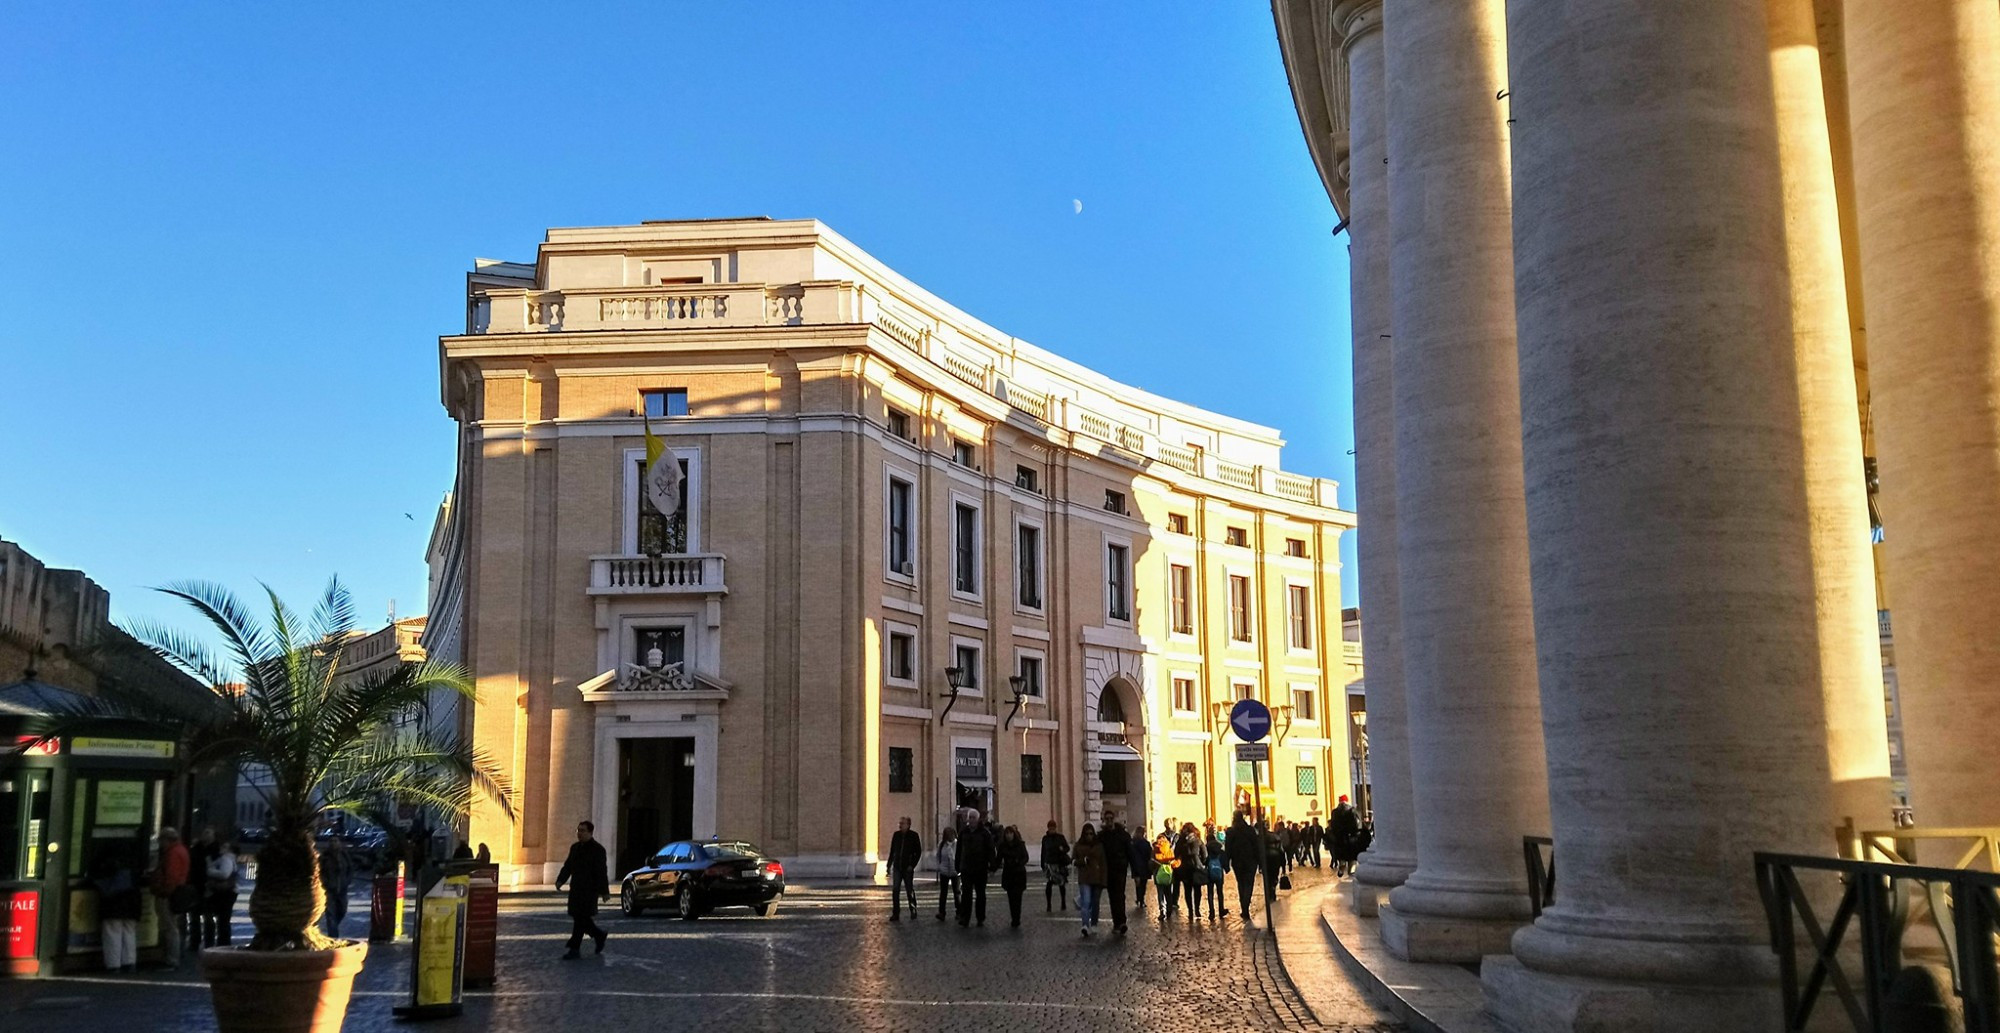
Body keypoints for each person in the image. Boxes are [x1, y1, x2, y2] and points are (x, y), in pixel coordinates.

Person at [554, 820, 610, 960]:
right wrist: (561, 879)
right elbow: (568, 866)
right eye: (578, 830)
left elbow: (601, 872)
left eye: (583, 830)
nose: (579, 833)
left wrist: (604, 892)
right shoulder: (575, 848)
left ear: (590, 832)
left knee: (581, 918)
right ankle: (599, 935)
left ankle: (574, 949)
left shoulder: (598, 850)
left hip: (589, 891)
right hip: (576, 889)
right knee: (579, 917)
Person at [92, 847, 142, 972]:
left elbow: (101, 885)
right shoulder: (133, 869)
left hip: (113, 907)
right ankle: (129, 963)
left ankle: (114, 965)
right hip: (132, 907)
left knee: (112, 935)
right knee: (129, 934)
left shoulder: (108, 868)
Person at [149, 827, 191, 967]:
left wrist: (163, 892)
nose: (160, 843)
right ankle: (171, 958)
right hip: (176, 893)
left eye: (161, 840)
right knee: (172, 926)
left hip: (168, 894)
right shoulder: (181, 850)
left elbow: (171, 877)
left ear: (167, 840)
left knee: (169, 927)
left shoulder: (172, 853)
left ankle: (171, 959)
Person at [955, 818, 994, 927]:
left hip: (980, 868)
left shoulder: (985, 833)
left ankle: (980, 917)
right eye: (970, 818)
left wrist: (992, 865)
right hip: (966, 868)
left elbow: (990, 849)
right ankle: (965, 918)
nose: (971, 820)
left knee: (980, 894)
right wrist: (957, 865)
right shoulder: (963, 832)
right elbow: (959, 849)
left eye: (973, 818)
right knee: (966, 894)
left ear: (977, 820)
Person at [187, 826, 219, 952]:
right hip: (196, 885)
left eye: (208, 833)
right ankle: (195, 941)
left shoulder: (216, 849)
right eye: (204, 832)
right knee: (194, 915)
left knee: (208, 916)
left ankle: (209, 942)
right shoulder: (196, 848)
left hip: (208, 886)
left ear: (213, 836)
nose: (206, 835)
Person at [1226, 812, 1262, 925]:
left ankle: (1244, 907)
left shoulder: (1231, 831)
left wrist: (1226, 863)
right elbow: (1256, 846)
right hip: (1250, 861)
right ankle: (1245, 905)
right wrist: (1259, 861)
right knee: (1248, 884)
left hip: (1237, 862)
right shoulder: (1250, 830)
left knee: (1241, 884)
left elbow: (1228, 848)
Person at [204, 839, 240, 947]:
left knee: (222, 919)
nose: (221, 848)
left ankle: (221, 943)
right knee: (224, 919)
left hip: (225, 893)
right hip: (229, 891)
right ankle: (224, 943)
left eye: (225, 847)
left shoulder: (226, 859)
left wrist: (210, 870)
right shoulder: (231, 859)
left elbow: (224, 874)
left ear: (229, 850)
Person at [1098, 815, 1131, 934]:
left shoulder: (1123, 835)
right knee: (1113, 897)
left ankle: (1121, 922)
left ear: (1114, 819)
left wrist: (1136, 872)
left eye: (1111, 818)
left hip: (1120, 870)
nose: (1109, 821)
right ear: (1104, 821)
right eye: (1107, 819)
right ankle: (1117, 922)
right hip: (1107, 870)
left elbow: (1130, 853)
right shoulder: (1101, 836)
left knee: (1120, 896)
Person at [1072, 823, 1106, 937]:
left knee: (1095, 902)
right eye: (1087, 834)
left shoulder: (1099, 846)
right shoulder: (1078, 846)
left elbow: (1103, 863)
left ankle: (1094, 923)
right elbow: (1073, 860)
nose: (1089, 836)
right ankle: (1085, 925)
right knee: (1085, 902)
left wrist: (1104, 880)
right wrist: (1083, 861)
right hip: (1085, 878)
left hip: (1097, 878)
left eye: (1091, 834)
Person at [887, 817, 922, 921]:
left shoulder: (914, 836)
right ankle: (896, 913)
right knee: (895, 890)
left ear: (908, 825)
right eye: (900, 823)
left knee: (909, 889)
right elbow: (892, 850)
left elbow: (918, 852)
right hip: (897, 866)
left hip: (907, 867)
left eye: (902, 823)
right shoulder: (896, 835)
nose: (900, 825)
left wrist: (912, 865)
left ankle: (913, 909)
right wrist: (889, 865)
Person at [318, 835, 354, 937]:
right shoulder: (325, 857)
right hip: (329, 890)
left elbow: (350, 869)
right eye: (331, 841)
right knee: (330, 914)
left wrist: (347, 881)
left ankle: (334, 927)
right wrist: (326, 882)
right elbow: (319, 872)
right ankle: (333, 936)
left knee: (342, 910)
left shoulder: (344, 855)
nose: (333, 843)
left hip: (342, 889)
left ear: (339, 843)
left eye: (335, 841)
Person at [1173, 822, 1207, 923]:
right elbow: (1204, 855)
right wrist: (1202, 863)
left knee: (1187, 891)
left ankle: (1190, 911)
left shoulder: (1181, 841)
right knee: (1197, 890)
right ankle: (1197, 910)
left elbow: (1176, 854)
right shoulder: (1198, 840)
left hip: (1184, 869)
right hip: (1196, 868)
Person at [998, 826, 1030, 928]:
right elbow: (998, 859)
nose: (1008, 835)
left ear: (1014, 834)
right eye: (1007, 833)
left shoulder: (1020, 845)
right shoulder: (1002, 846)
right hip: (1008, 874)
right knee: (1011, 898)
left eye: (1010, 833)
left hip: (1019, 874)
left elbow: (1025, 857)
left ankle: (1017, 918)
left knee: (1018, 897)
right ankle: (1014, 917)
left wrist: (1019, 862)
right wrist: (992, 868)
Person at [1039, 821, 1071, 912]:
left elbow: (1067, 848)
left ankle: (1063, 902)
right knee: (1049, 884)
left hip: (1060, 863)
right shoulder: (1045, 839)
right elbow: (1043, 852)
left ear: (1055, 828)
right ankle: (1049, 904)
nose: (1052, 830)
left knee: (1062, 884)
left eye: (1053, 828)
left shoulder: (1060, 837)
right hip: (1050, 863)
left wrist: (1062, 849)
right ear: (1048, 828)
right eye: (1050, 828)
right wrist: (1043, 864)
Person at [1330, 796, 1362, 878]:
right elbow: (1357, 824)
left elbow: (1332, 826)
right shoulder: (1352, 810)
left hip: (1340, 839)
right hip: (1351, 838)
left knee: (1342, 857)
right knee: (1352, 858)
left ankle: (1342, 866)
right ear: (1347, 800)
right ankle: (1351, 870)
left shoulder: (1334, 812)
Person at [1151, 828, 1179, 918]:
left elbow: (1151, 861)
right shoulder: (1169, 848)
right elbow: (1172, 859)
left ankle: (1162, 910)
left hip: (1158, 873)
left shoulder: (1155, 849)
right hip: (1168, 872)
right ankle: (1169, 909)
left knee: (1160, 893)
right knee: (1168, 892)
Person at [1203, 821, 1228, 919]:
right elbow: (1224, 859)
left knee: (1210, 893)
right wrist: (1226, 868)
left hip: (1209, 872)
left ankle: (1212, 912)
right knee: (1220, 892)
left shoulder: (1206, 849)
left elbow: (1204, 860)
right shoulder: (1220, 849)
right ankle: (1221, 910)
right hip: (1219, 872)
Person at [1127, 825, 1154, 913]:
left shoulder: (1133, 843)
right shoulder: (1145, 843)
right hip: (1144, 867)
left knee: (1138, 884)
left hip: (1136, 866)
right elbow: (1149, 854)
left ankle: (1139, 899)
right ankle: (1141, 899)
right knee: (1143, 884)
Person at [933, 827, 958, 921]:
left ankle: (959, 912)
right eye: (948, 835)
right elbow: (938, 856)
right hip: (944, 871)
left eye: (951, 834)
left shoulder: (957, 844)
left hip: (955, 871)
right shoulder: (941, 845)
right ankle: (942, 912)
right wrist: (939, 867)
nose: (950, 836)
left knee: (957, 893)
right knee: (943, 893)